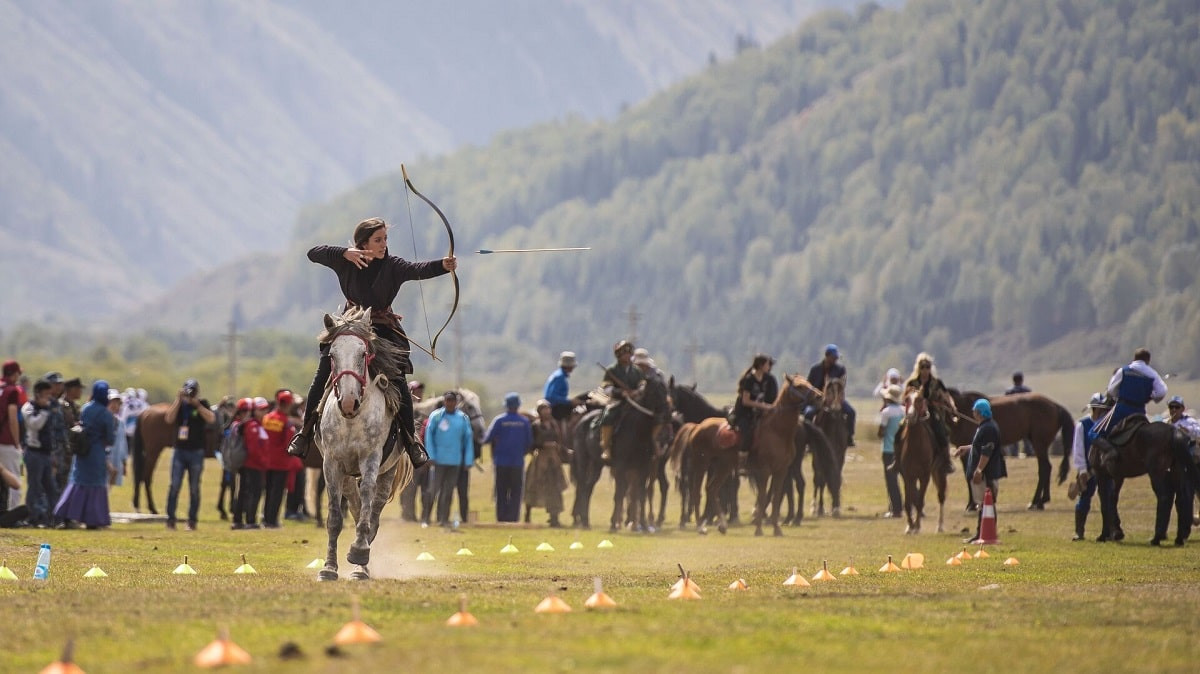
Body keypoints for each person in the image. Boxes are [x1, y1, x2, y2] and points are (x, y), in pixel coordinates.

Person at [287, 217, 457, 470]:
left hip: (382, 331)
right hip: (351, 326)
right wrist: (344, 253)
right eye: (378, 240)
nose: (384, 244)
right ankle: (305, 432)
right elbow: (313, 253)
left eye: (385, 239)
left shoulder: (393, 266)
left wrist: (443, 265)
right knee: (323, 372)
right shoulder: (346, 262)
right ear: (362, 243)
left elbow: (417, 269)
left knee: (398, 380)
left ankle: (411, 441)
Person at [54, 380, 118, 529]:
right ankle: (92, 520)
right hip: (96, 453)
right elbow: (110, 439)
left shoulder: (86, 408)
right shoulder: (106, 414)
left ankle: (68, 517)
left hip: (82, 452)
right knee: (95, 486)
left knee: (78, 482)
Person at [164, 378, 216, 531]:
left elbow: (211, 419)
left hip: (196, 452)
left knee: (194, 487)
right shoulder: (180, 405)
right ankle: (170, 519)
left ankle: (192, 520)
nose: (190, 394)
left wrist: (197, 405)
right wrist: (178, 400)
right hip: (180, 451)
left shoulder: (202, 404)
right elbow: (169, 419)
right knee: (174, 485)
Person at [954, 398, 1006, 543]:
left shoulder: (988, 428)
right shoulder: (985, 426)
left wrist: (979, 470)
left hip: (986, 474)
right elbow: (979, 445)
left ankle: (986, 534)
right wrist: (967, 448)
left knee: (986, 503)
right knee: (983, 504)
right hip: (984, 473)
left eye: (975, 411)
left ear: (979, 412)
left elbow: (986, 451)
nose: (973, 414)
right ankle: (980, 533)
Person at [1093, 348, 1168, 440]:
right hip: (1140, 412)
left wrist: (1119, 396)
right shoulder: (1153, 374)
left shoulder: (1123, 370)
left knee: (1094, 433)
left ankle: (1110, 451)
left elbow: (1111, 390)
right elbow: (1162, 392)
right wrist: (1151, 396)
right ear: (1148, 360)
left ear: (1134, 358)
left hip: (1121, 410)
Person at [425, 391, 474, 527]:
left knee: (448, 491)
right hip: (438, 460)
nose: (450, 403)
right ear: (444, 401)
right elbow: (429, 437)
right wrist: (431, 456)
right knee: (433, 490)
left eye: (453, 400)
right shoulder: (436, 416)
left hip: (455, 461)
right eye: (448, 400)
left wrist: (468, 460)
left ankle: (443, 519)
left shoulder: (462, 418)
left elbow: (467, 440)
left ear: (456, 402)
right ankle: (426, 518)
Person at [902, 352, 955, 477]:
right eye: (922, 366)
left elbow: (947, 396)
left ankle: (946, 461)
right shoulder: (912, 382)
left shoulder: (937, 383)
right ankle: (897, 458)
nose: (925, 369)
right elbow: (904, 398)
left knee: (941, 431)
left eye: (927, 366)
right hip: (914, 412)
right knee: (900, 430)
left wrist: (953, 406)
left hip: (932, 411)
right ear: (918, 367)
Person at [482, 392, 533, 523]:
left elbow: (487, 439)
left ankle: (501, 518)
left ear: (506, 406)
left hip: (501, 462)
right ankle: (513, 518)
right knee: (516, 491)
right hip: (517, 462)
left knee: (501, 490)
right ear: (518, 405)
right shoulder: (524, 422)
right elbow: (529, 443)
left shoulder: (499, 420)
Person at [1069, 393, 1113, 541]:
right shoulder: (1083, 424)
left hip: (1105, 469)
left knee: (1107, 499)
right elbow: (1078, 448)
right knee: (1084, 499)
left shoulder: (1107, 426)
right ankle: (1079, 531)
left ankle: (1107, 531)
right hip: (1087, 469)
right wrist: (1082, 470)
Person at [598, 340, 644, 462]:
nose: (627, 356)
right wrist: (620, 393)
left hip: (635, 401)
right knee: (608, 416)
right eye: (624, 354)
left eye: (629, 353)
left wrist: (636, 392)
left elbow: (643, 385)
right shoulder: (612, 370)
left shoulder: (637, 371)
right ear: (619, 355)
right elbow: (607, 388)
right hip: (617, 401)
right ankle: (606, 447)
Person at [525, 400, 569, 527]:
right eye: (544, 409)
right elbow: (531, 444)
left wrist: (564, 450)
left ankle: (554, 517)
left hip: (553, 460)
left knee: (555, 488)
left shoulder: (555, 425)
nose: (547, 411)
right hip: (540, 459)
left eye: (548, 409)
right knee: (533, 486)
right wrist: (543, 445)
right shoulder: (535, 426)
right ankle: (527, 514)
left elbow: (560, 441)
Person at [21, 380, 59, 527]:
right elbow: (35, 424)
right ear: (38, 394)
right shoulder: (29, 407)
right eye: (46, 394)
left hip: (46, 453)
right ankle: (34, 517)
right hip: (33, 452)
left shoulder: (51, 407)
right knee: (35, 486)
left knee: (50, 487)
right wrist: (43, 410)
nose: (48, 397)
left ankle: (51, 517)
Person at [804, 345, 857, 447]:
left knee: (851, 412)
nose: (836, 360)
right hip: (818, 399)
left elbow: (842, 385)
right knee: (808, 413)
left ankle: (849, 437)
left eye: (836, 358)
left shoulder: (840, 369)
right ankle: (807, 439)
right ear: (827, 356)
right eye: (834, 357)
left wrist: (835, 396)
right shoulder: (815, 369)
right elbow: (809, 386)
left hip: (835, 398)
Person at [732, 354, 777, 459]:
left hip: (757, 412)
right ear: (761, 366)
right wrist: (763, 406)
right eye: (767, 364)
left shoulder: (766, 379)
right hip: (744, 413)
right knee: (747, 432)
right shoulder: (749, 379)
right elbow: (745, 401)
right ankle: (742, 457)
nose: (769, 367)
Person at [877, 383, 904, 518]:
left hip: (888, 449)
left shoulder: (886, 412)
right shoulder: (904, 410)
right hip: (903, 450)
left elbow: (881, 432)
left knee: (891, 481)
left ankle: (896, 509)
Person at [0, 360, 24, 512]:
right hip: (7, 440)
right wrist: (17, 442)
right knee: (14, 477)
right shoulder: (12, 391)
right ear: (14, 374)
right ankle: (12, 512)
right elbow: (13, 418)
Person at [543, 351, 578, 445]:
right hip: (555, 408)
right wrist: (569, 401)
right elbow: (550, 396)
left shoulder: (558, 375)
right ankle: (563, 443)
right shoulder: (560, 377)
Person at [56, 378, 84, 491]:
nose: (80, 391)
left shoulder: (75, 406)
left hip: (73, 449)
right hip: (63, 449)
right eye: (78, 389)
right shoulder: (62, 405)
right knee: (62, 480)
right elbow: (72, 423)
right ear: (71, 390)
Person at [1003, 371, 1032, 458]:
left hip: (1012, 419)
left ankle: (1014, 455)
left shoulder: (1009, 392)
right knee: (1027, 437)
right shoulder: (1027, 391)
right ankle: (1029, 453)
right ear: (1022, 380)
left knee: (1013, 437)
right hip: (1026, 418)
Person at [105, 388, 128, 487]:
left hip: (116, 460)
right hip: (104, 461)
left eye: (117, 403)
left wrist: (124, 462)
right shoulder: (102, 421)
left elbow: (123, 444)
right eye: (111, 402)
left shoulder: (120, 423)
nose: (114, 405)